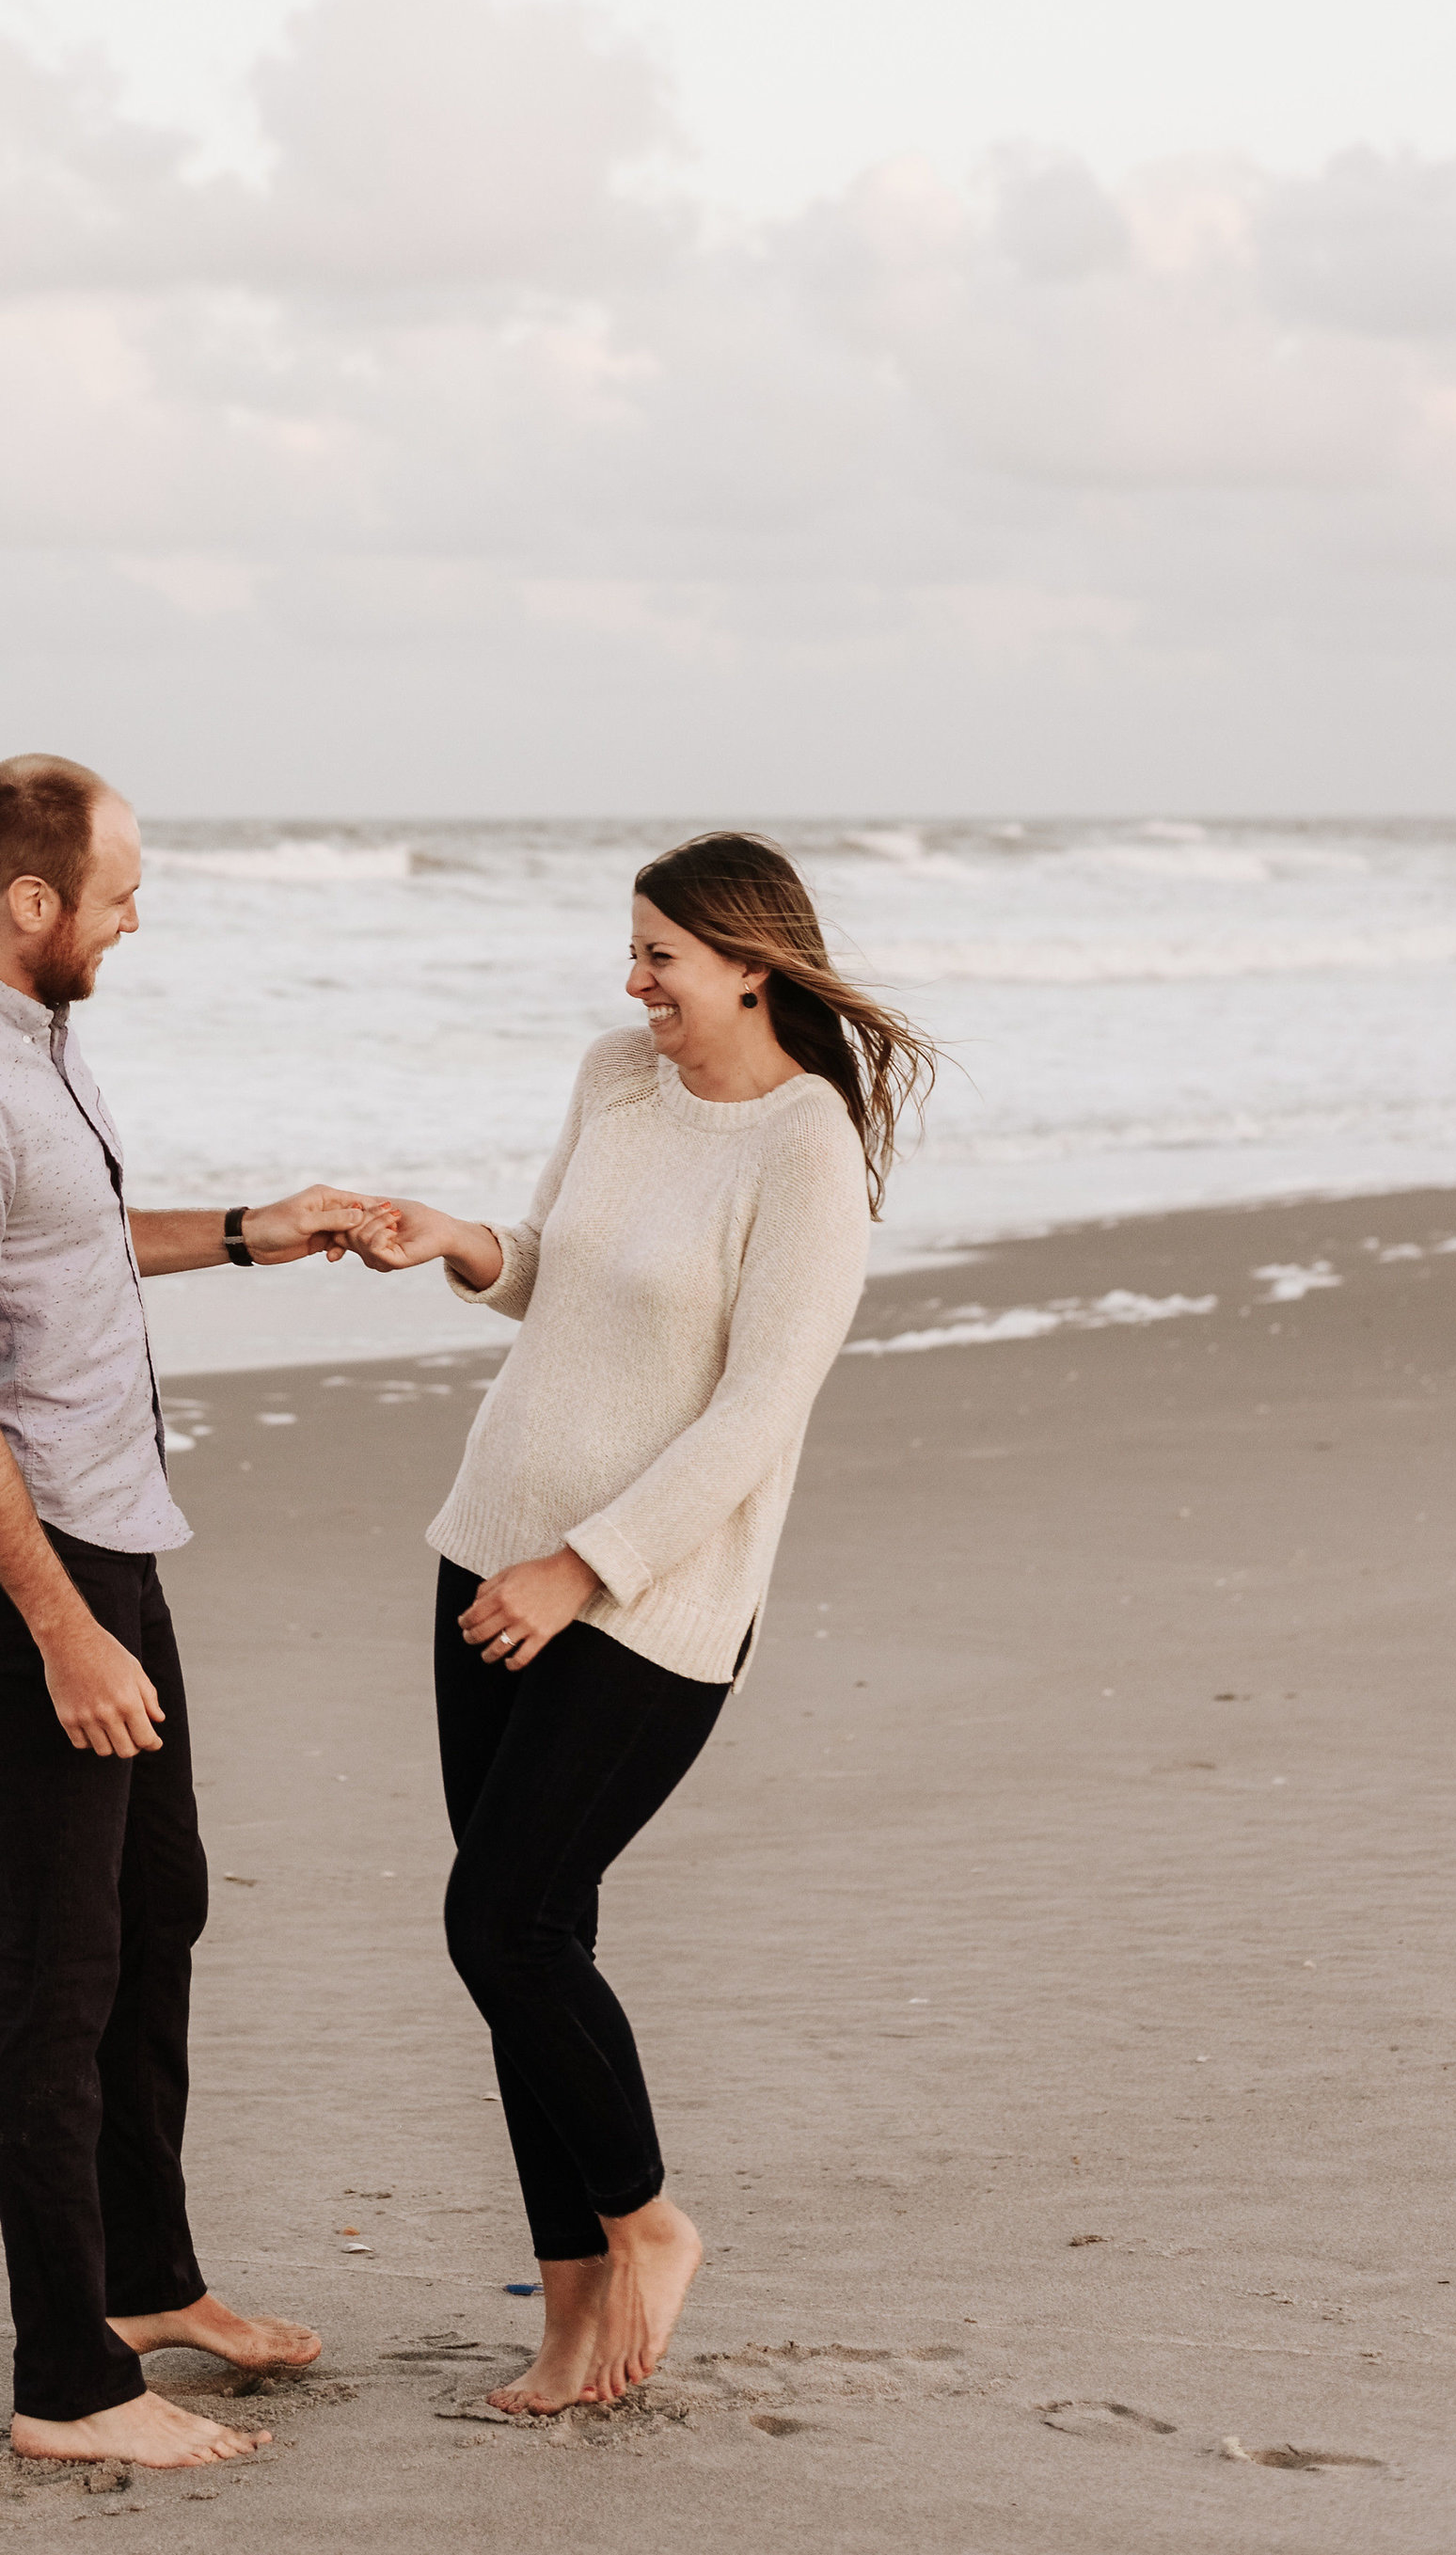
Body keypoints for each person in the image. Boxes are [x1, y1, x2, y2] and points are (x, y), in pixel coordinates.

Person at [351, 830, 935, 2416]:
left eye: (661, 954)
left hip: (648, 1599)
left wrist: (584, 1569)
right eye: (632, 949)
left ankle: (652, 2221)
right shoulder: (618, 1074)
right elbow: (550, 1273)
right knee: (532, 1949)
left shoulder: (807, 1149)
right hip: (488, 1546)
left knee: (505, 1921)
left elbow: (759, 1407)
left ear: (752, 963)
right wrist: (459, 1242)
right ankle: (565, 2323)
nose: (634, 982)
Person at [0, 752, 378, 2473]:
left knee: (162, 1902)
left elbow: (69, 1245)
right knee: (61, 1969)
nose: (135, 916)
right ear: (34, 903)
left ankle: (145, 2283)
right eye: (119, 890)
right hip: (30, 1564)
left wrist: (254, 1229)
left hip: (107, 1536)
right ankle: (63, 2383)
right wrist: (64, 1633)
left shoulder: (36, 1051)